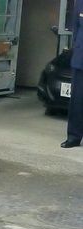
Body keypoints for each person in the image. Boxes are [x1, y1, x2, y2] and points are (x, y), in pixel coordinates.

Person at [61, 0, 83, 148]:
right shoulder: (80, 2)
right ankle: (74, 137)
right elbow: (76, 27)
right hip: (81, 59)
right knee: (77, 101)